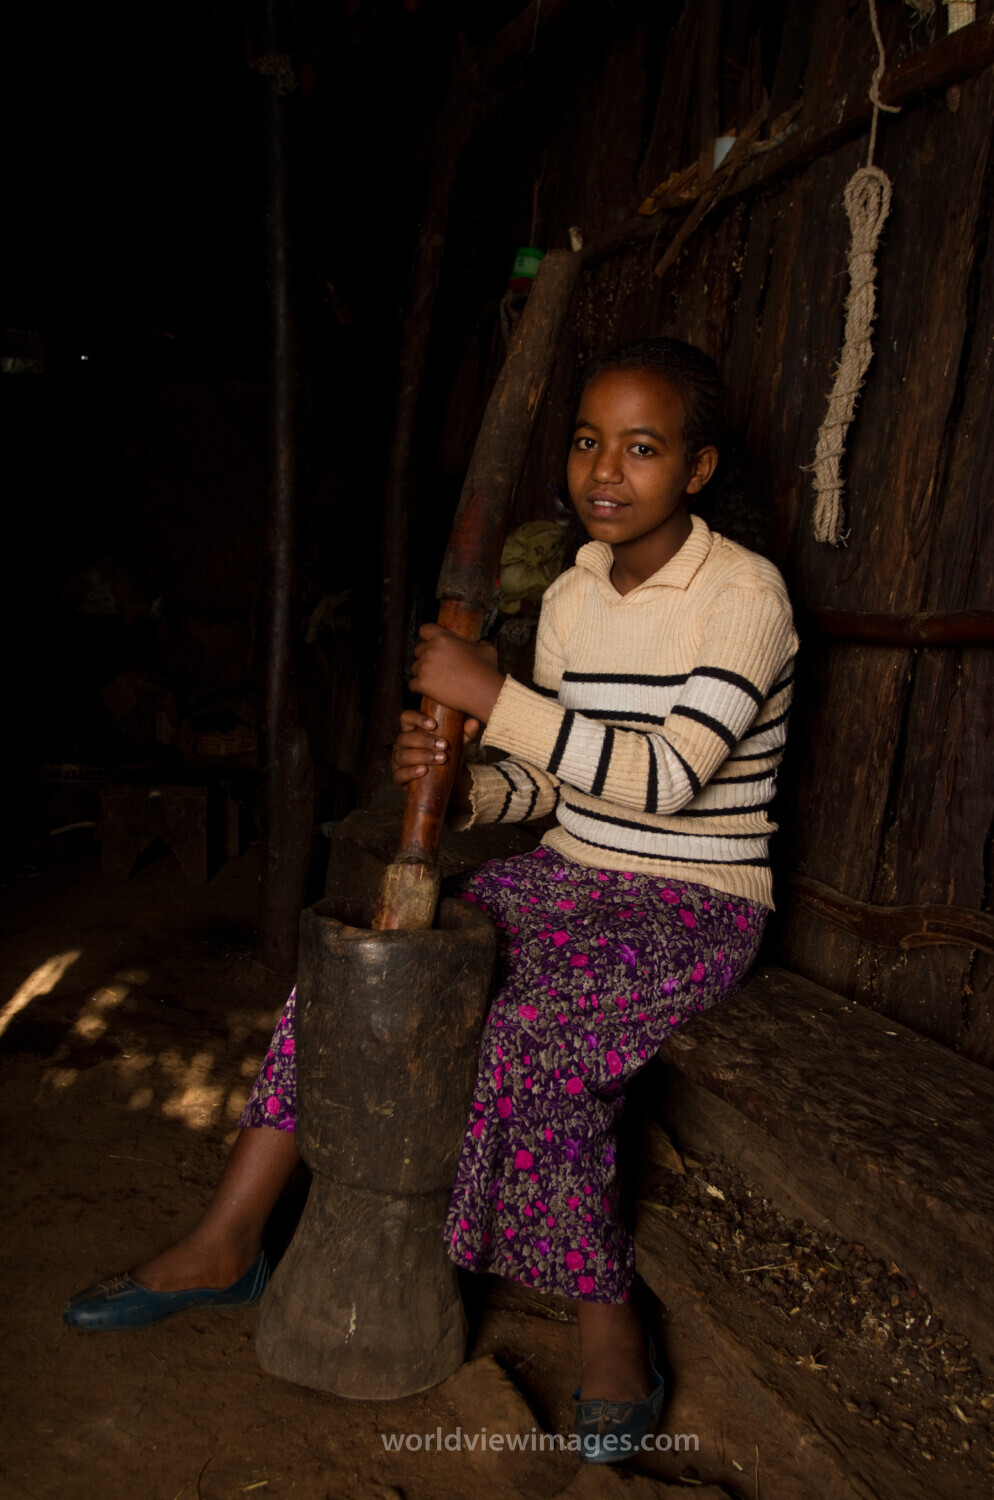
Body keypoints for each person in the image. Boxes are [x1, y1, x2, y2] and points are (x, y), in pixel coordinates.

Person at [65, 338, 797, 1463]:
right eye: (589, 440)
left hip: (690, 900)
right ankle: (227, 1243)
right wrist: (457, 786)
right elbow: (554, 778)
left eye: (641, 449)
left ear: (695, 470)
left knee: (534, 1037)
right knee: (367, 966)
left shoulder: (744, 593)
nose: (605, 469)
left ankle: (609, 1316)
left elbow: (668, 779)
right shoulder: (571, 593)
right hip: (569, 871)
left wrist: (494, 696)